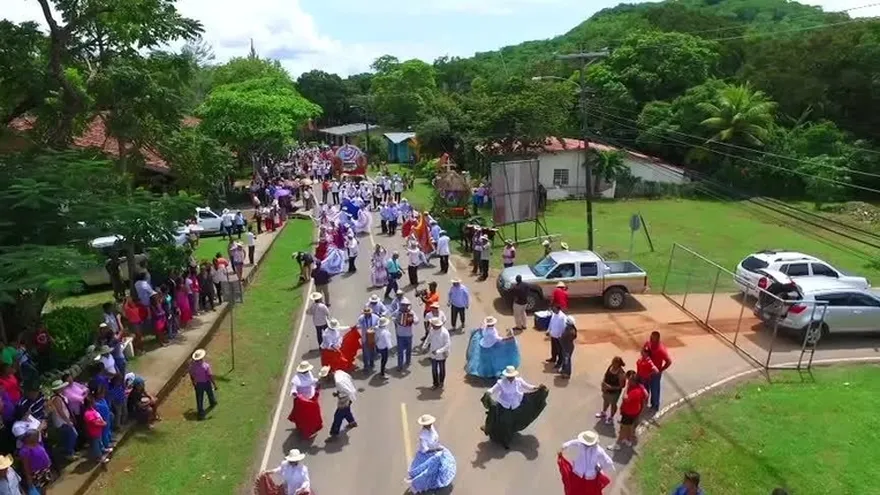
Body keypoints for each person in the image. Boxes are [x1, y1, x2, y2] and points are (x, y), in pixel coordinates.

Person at [481, 366, 548, 449]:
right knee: (505, 423)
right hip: (504, 406)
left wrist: (537, 388)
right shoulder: (501, 383)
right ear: (506, 376)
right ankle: (505, 440)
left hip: (516, 405)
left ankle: (508, 436)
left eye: (512, 376)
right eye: (509, 377)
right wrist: (488, 392)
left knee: (513, 422)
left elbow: (528, 386)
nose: (511, 378)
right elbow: (492, 390)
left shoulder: (519, 381)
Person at [406, 414, 456, 494]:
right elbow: (424, 449)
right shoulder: (423, 435)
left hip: (437, 449)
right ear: (424, 425)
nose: (429, 425)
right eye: (427, 424)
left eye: (430, 423)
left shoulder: (432, 428)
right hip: (429, 454)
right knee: (426, 473)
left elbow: (435, 439)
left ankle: (438, 481)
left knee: (443, 465)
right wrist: (436, 450)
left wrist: (438, 447)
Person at [558, 430, 614, 495]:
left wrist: (600, 467)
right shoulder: (581, 444)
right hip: (578, 472)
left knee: (589, 492)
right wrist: (563, 447)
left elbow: (608, 461)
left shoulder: (598, 450)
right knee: (575, 490)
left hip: (590, 476)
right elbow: (572, 442)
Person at [609, 371, 648, 451]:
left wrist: (626, 389)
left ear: (634, 381)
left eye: (630, 380)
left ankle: (618, 444)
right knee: (630, 426)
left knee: (623, 427)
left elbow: (625, 398)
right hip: (634, 411)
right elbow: (646, 396)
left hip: (629, 412)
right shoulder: (640, 388)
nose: (628, 381)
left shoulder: (635, 391)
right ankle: (628, 440)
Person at [287, 361, 323, 439]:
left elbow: (312, 380)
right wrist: (294, 393)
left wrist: (317, 382)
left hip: (312, 397)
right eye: (305, 371)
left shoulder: (309, 373)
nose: (306, 372)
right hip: (303, 401)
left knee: (314, 413)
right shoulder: (296, 379)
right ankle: (305, 430)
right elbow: (294, 388)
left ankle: (315, 426)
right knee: (304, 417)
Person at [47, 380, 78, 460]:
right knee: (72, 435)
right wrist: (68, 421)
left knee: (68, 436)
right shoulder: (56, 398)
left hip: (64, 420)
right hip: (62, 422)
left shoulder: (60, 396)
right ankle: (69, 453)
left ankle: (68, 451)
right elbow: (60, 411)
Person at [643, 331, 672, 410]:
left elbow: (669, 362)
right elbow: (643, 351)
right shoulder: (648, 344)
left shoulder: (661, 350)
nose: (651, 340)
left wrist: (661, 369)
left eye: (653, 339)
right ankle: (644, 403)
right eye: (651, 338)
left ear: (658, 339)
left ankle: (655, 405)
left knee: (655, 389)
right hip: (646, 370)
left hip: (655, 373)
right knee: (645, 388)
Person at [189, 349, 218, 421]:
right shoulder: (206, 366)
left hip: (198, 384)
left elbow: (191, 375)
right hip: (206, 383)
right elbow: (210, 376)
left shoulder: (192, 367)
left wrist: (193, 382)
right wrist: (214, 384)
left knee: (199, 399)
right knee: (210, 393)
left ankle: (200, 413)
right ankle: (212, 402)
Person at [596, 357, 626, 424]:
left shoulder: (621, 373)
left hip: (614, 392)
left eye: (614, 363)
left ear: (618, 364)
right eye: (612, 362)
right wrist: (603, 383)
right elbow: (605, 375)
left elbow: (622, 386)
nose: (613, 364)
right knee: (605, 401)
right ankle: (603, 412)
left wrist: (610, 387)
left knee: (613, 404)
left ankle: (611, 418)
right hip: (606, 389)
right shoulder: (610, 367)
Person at [329, 370, 358, 438]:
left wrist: (338, 394)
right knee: (346, 411)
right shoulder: (340, 373)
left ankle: (334, 433)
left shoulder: (338, 382)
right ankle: (352, 422)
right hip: (350, 396)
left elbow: (344, 392)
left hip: (345, 399)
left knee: (338, 416)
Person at [83, 396, 111, 463]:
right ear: (90, 404)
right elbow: (94, 422)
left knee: (99, 442)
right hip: (93, 432)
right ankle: (99, 457)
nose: (95, 403)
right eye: (93, 402)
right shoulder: (88, 414)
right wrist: (103, 424)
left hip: (98, 431)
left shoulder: (93, 410)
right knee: (96, 445)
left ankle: (103, 449)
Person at [393, 298, 418, 371]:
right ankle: (400, 366)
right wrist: (396, 320)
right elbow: (391, 317)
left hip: (409, 335)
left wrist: (412, 319)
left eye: (406, 305)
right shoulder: (397, 312)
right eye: (403, 305)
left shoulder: (411, 313)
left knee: (408, 349)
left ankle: (408, 361)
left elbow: (417, 321)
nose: (404, 307)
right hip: (400, 335)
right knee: (400, 351)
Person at [425, 318, 450, 390]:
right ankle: (435, 383)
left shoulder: (444, 332)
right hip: (433, 354)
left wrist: (438, 351)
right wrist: (424, 346)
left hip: (442, 355)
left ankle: (441, 382)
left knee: (442, 369)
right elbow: (428, 338)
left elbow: (447, 345)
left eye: (432, 324)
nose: (431, 325)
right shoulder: (432, 330)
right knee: (434, 369)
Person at [356, 306, 379, 372]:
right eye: (365, 313)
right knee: (365, 353)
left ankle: (371, 363)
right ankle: (366, 366)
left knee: (372, 352)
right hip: (365, 337)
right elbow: (358, 325)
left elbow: (379, 325)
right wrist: (360, 325)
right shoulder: (361, 318)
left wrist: (374, 328)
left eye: (367, 313)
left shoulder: (376, 317)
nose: (366, 314)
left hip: (373, 337)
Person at [546, 305, 567, 370]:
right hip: (553, 335)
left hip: (559, 337)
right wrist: (548, 330)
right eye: (553, 309)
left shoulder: (563, 317)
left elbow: (564, 327)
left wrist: (561, 336)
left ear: (558, 309)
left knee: (560, 350)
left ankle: (559, 363)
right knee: (554, 348)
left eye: (554, 309)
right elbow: (551, 323)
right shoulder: (554, 314)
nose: (553, 310)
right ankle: (553, 358)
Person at [557, 315, 577, 379]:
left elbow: (564, 338)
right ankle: (563, 370)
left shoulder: (570, 331)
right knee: (564, 359)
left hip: (567, 348)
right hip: (566, 347)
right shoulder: (569, 328)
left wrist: (560, 338)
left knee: (567, 360)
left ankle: (567, 374)